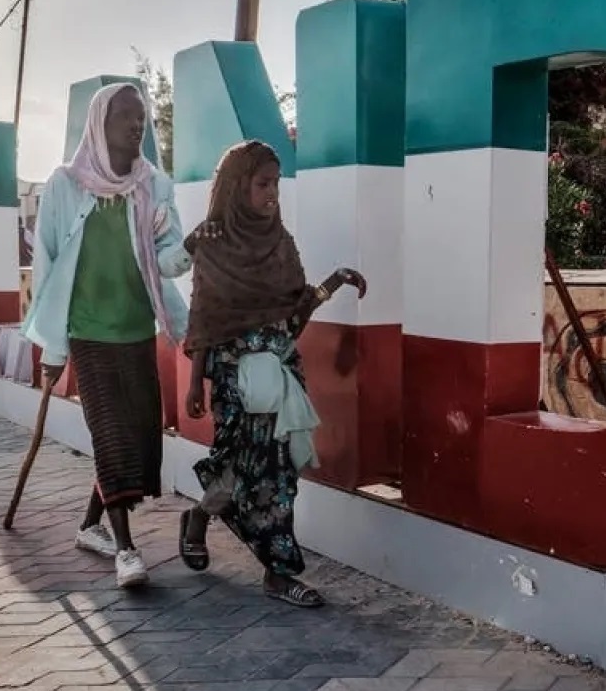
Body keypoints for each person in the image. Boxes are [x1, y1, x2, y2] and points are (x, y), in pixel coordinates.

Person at [179, 140, 367, 608]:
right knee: (236, 470)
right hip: (233, 379)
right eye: (264, 184)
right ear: (237, 186)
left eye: (276, 184)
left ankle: (278, 573)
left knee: (279, 474)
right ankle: (199, 517)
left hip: (280, 376)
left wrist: (334, 282)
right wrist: (194, 382)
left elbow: (292, 318)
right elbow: (203, 315)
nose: (272, 194)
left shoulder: (281, 242)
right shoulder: (213, 242)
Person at [21, 83, 192, 588]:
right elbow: (47, 264)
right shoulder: (64, 185)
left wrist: (192, 249)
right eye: (125, 116)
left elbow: (166, 258)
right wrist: (53, 347)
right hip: (87, 333)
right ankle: (126, 550)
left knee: (137, 438)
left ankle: (89, 526)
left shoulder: (154, 185)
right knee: (111, 436)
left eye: (141, 117)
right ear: (100, 122)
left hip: (137, 329)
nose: (137, 125)